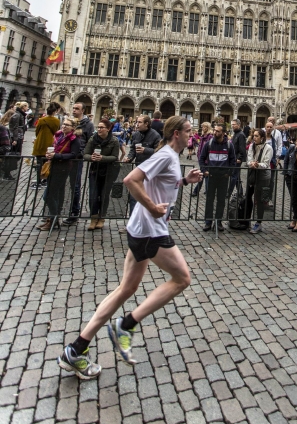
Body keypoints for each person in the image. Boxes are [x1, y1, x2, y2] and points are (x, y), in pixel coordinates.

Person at [58, 116, 203, 379]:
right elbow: (131, 180)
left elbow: (159, 182)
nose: (192, 136)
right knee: (182, 279)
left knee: (127, 288)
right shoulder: (167, 155)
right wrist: (152, 207)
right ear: (176, 134)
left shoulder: (168, 156)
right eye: (189, 131)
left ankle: (76, 349)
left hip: (140, 229)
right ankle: (126, 324)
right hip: (150, 231)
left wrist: (184, 182)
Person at [37, 118, 80, 232]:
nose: (64, 126)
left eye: (67, 125)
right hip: (53, 167)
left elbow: (74, 154)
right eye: (64, 124)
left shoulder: (74, 139)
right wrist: (49, 153)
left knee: (48, 195)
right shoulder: (59, 136)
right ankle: (52, 220)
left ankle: (54, 219)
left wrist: (56, 156)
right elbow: (55, 149)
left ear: (73, 127)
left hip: (63, 168)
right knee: (55, 195)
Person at [84, 119, 120, 230]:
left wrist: (102, 158)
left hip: (108, 172)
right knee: (93, 195)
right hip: (95, 170)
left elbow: (115, 157)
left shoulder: (114, 141)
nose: (99, 129)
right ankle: (93, 218)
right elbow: (85, 154)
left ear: (108, 129)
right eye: (98, 127)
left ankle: (102, 217)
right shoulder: (92, 139)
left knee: (104, 195)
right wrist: (91, 157)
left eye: (101, 127)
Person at [62, 102, 95, 226]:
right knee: (60, 185)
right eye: (73, 108)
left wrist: (82, 152)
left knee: (75, 186)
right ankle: (54, 213)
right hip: (63, 158)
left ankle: (74, 212)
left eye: (77, 109)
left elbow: (91, 141)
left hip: (76, 160)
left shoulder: (88, 125)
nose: (74, 110)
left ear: (83, 111)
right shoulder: (69, 121)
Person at [199, 123, 236, 231]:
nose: (215, 132)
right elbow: (201, 158)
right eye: (214, 130)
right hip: (211, 176)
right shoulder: (209, 144)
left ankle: (218, 222)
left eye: (218, 131)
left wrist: (229, 173)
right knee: (209, 199)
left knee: (221, 200)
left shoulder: (229, 145)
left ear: (223, 133)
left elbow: (233, 161)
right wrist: (204, 170)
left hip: (223, 177)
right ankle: (208, 222)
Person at [125, 115, 161, 215]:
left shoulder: (155, 135)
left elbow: (159, 152)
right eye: (137, 122)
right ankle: (132, 223)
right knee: (134, 196)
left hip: (150, 172)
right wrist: (130, 157)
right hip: (138, 168)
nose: (137, 124)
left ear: (147, 124)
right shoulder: (136, 134)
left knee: (147, 198)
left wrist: (146, 150)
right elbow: (132, 148)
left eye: (140, 122)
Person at [246, 129, 273, 234]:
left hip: (263, 176)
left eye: (256, 136)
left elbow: (266, 163)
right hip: (253, 175)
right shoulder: (252, 146)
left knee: (260, 200)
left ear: (262, 137)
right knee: (248, 196)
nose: (254, 138)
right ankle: (246, 220)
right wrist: (251, 163)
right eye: (254, 135)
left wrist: (258, 165)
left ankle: (258, 222)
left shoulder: (268, 148)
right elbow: (248, 159)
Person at [32, 102, 61, 185]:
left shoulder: (41, 120)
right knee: (48, 163)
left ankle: (38, 181)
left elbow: (37, 131)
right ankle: (45, 179)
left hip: (40, 143)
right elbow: (57, 132)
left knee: (39, 163)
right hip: (50, 144)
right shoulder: (57, 121)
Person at [229, 119, 247, 197]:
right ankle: (240, 192)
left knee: (233, 175)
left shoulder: (241, 135)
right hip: (233, 158)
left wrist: (239, 158)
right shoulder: (236, 134)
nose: (232, 126)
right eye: (232, 124)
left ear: (239, 125)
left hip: (237, 158)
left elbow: (242, 148)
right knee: (236, 176)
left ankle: (228, 192)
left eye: (234, 124)